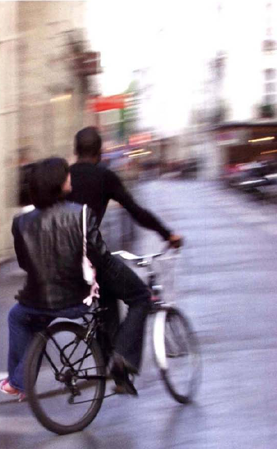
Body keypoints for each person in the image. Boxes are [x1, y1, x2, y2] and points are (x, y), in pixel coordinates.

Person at [0, 157, 148, 399]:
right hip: (75, 299)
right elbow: (99, 256)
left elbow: (24, 263)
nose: (71, 178)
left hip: (35, 300)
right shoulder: (80, 214)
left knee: (17, 317)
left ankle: (20, 381)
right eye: (67, 175)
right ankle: (122, 357)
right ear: (58, 183)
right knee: (140, 295)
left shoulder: (20, 222)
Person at [66, 127, 182, 365]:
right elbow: (136, 212)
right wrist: (167, 234)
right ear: (100, 152)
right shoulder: (105, 177)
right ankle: (123, 360)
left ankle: (106, 362)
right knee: (140, 297)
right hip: (93, 257)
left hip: (65, 260)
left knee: (108, 300)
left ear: (75, 151)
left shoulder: (64, 176)